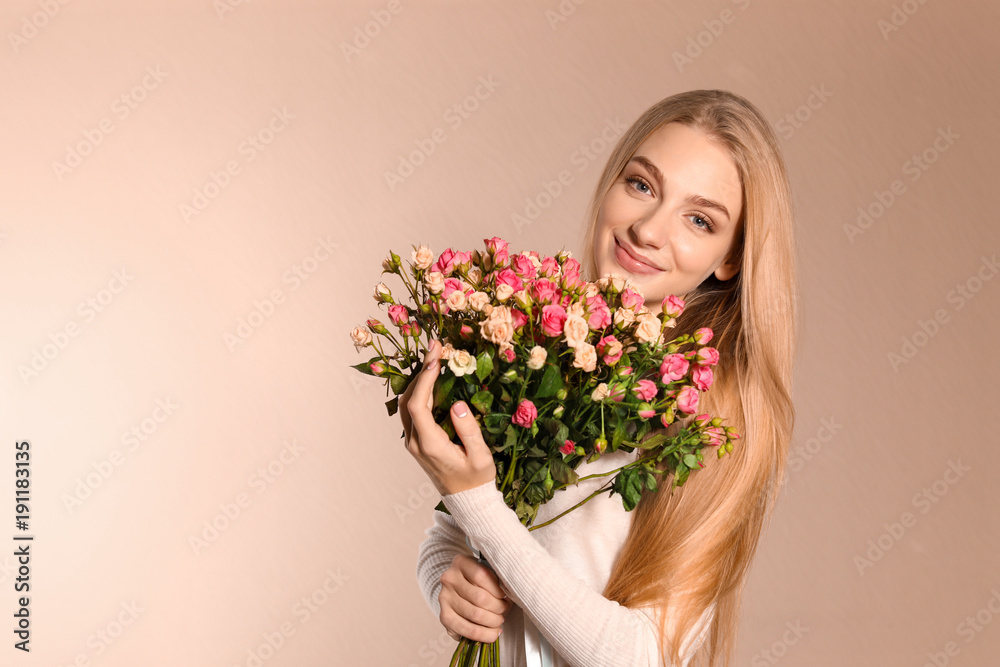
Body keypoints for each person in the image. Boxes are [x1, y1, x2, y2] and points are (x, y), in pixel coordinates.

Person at [400, 89, 798, 666]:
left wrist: (477, 505)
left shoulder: (713, 423)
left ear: (730, 258)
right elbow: (463, 530)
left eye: (698, 219)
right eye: (641, 186)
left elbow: (642, 656)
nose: (649, 230)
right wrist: (444, 577)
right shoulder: (542, 350)